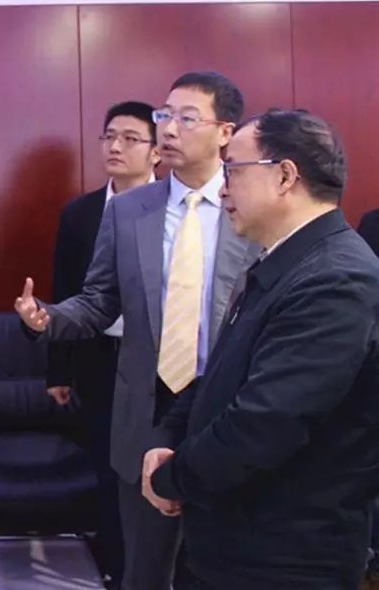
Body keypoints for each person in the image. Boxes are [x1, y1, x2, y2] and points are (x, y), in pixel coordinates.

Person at [15, 71, 259, 590]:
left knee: (223, 567)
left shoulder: (251, 203)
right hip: (146, 409)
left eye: (186, 118)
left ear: (225, 132)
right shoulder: (129, 211)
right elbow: (99, 300)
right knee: (145, 569)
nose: (168, 128)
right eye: (165, 115)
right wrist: (49, 318)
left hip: (230, 408)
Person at [142, 109, 379, 589]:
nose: (222, 189)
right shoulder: (286, 262)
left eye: (232, 170)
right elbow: (225, 373)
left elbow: (264, 423)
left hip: (284, 557)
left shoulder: (336, 279)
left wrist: (173, 478)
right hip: (234, 542)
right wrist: (167, 436)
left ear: (285, 176)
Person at [47, 100, 160, 588]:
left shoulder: (174, 209)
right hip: (99, 360)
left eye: (130, 138)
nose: (115, 146)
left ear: (156, 151)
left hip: (159, 364)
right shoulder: (80, 214)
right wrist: (58, 370)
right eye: (109, 136)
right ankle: (116, 568)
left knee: (155, 470)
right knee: (109, 471)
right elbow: (64, 292)